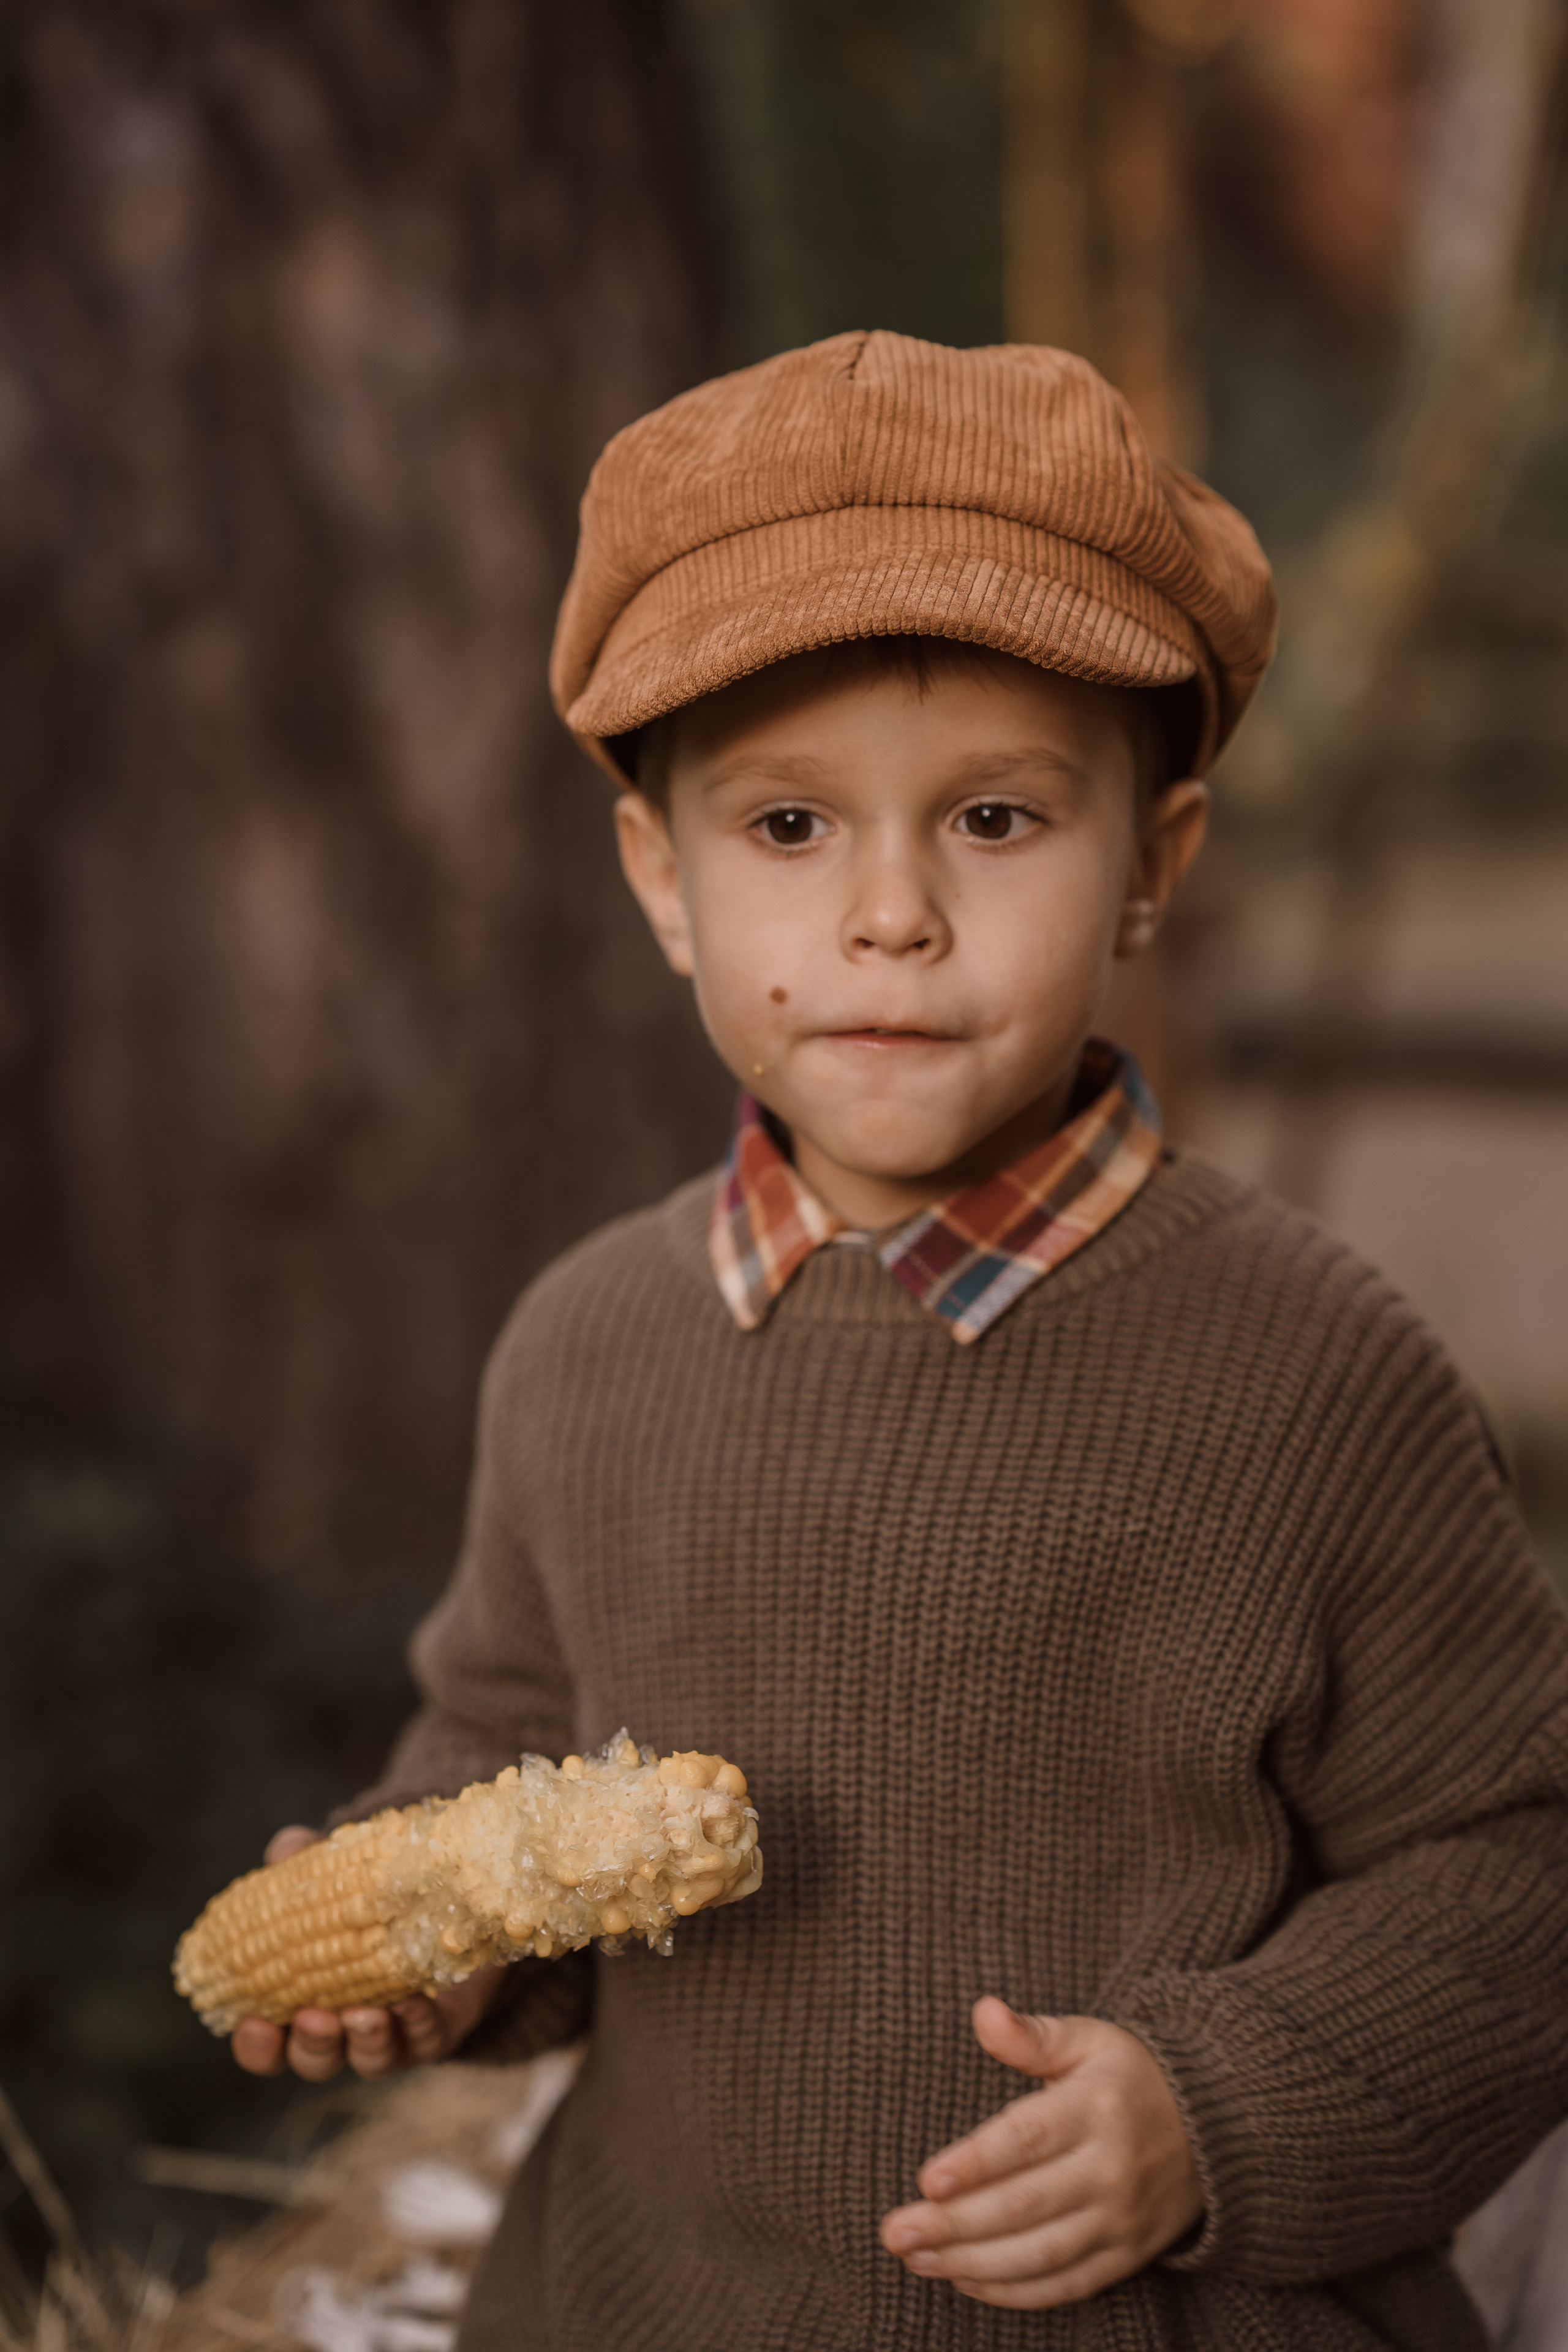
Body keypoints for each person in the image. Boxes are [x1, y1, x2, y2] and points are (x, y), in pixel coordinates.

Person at [232, 333, 1568, 2350]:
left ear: (1156, 866)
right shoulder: (584, 1348)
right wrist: (434, 1948)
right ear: (659, 880)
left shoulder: (1312, 1373)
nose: (891, 918)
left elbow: (1517, 1867)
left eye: (997, 821)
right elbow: (497, 1756)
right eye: (786, 830)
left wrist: (1221, 2108)